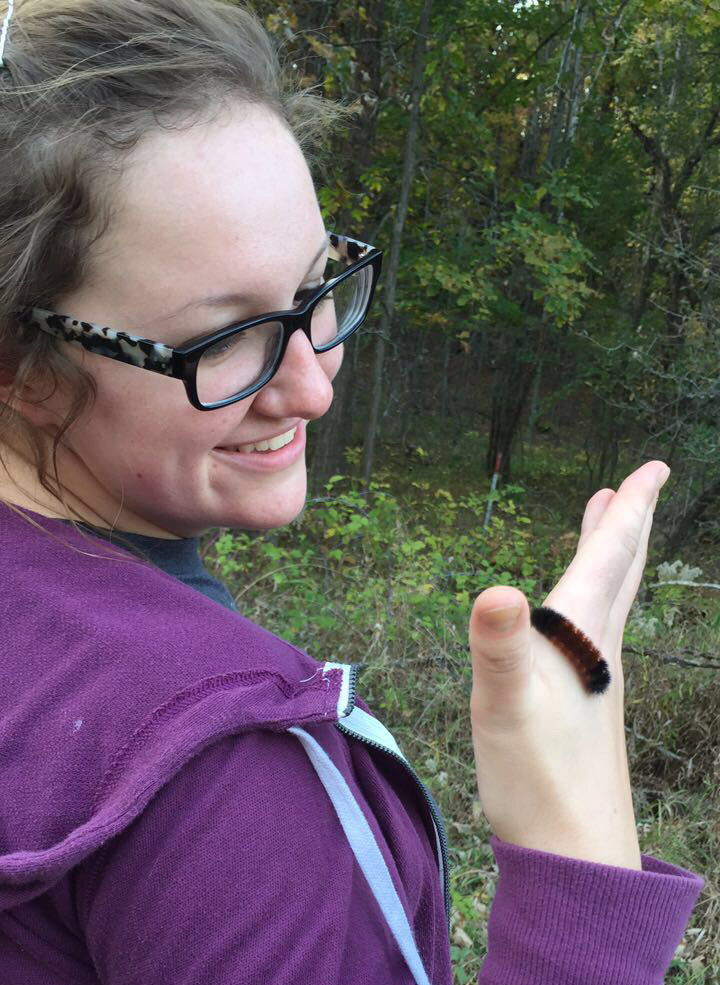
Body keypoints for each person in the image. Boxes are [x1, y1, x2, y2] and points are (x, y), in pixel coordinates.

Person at [0, 2, 704, 983]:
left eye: (317, 286)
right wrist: (577, 842)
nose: (315, 387)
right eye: (226, 338)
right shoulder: (232, 783)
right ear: (25, 366)